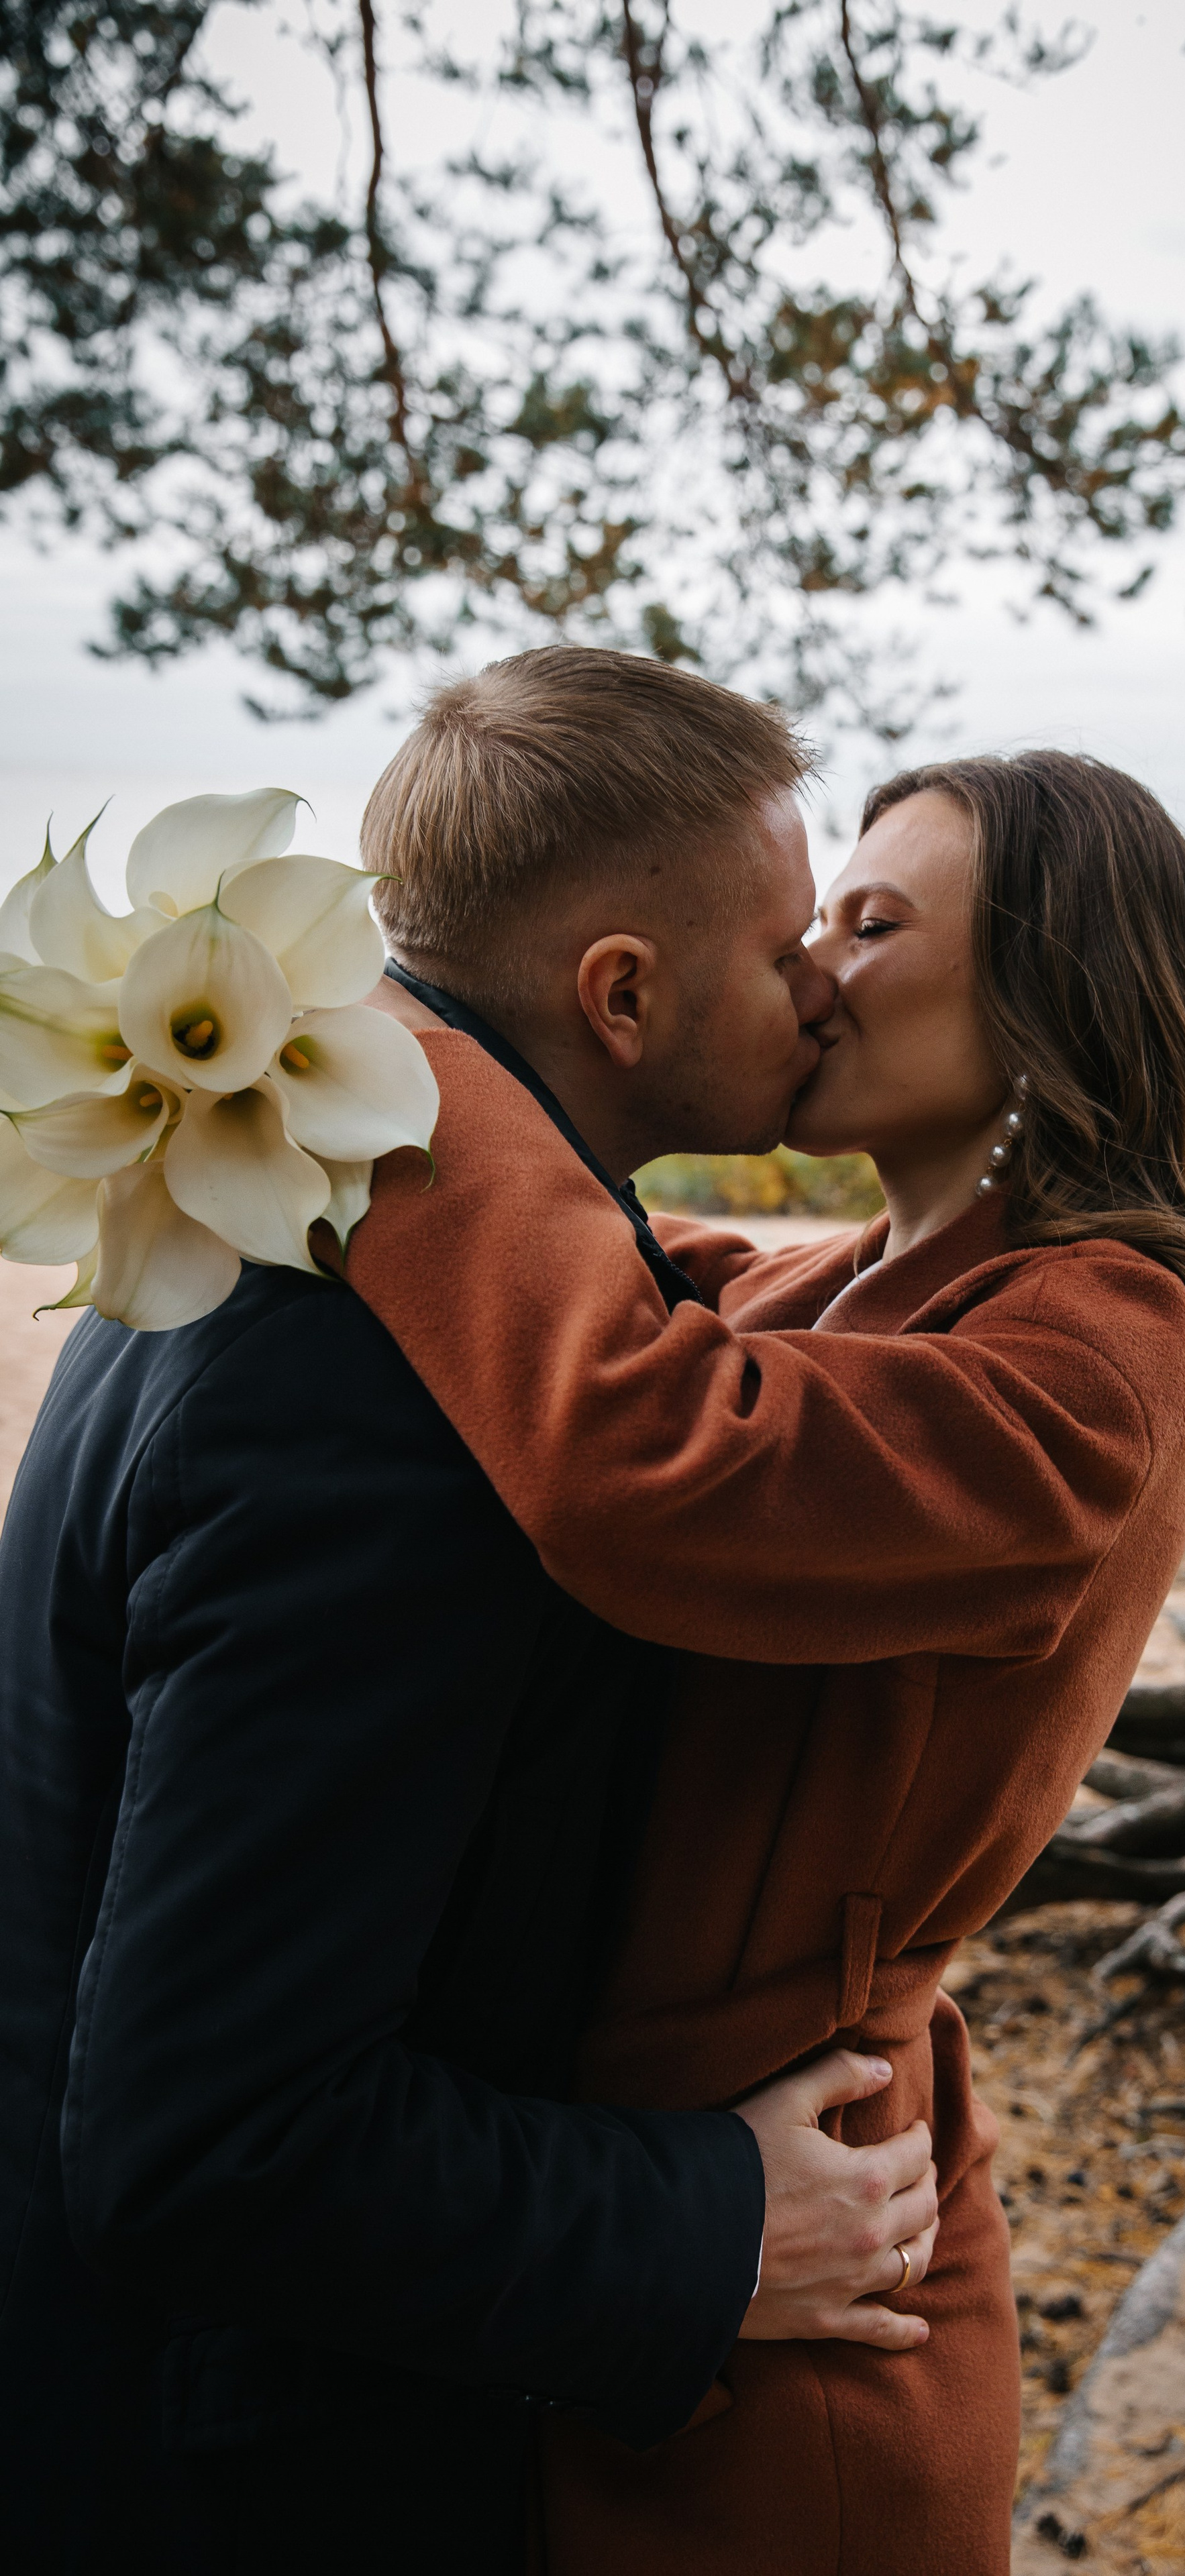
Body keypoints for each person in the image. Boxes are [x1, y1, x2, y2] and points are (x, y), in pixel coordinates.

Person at [0, 651, 942, 2576]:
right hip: (234, 2483)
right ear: (622, 993)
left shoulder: (279, 1216)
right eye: (785, 950)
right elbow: (210, 2143)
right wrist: (711, 2220)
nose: (825, 984)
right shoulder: (377, 1401)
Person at [349, 739, 1185, 2573]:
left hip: (802, 2278)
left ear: (1048, 992)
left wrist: (400, 1066)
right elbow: (611, 1258)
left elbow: (646, 1457)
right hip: (660, 2213)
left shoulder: (1104, 1346)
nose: (807, 968)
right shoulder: (839, 1283)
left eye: (869, 923)